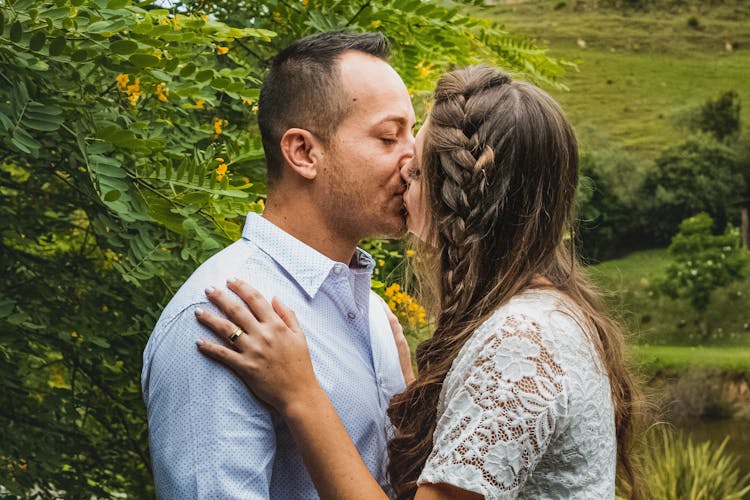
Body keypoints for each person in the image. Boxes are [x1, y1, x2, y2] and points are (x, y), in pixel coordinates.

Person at [194, 65, 645, 499]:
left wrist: (301, 395)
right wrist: (424, 395)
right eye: (390, 138)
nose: (402, 170)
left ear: (464, 195)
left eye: (417, 168)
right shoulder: (545, 316)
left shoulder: (520, 340)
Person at [141, 30, 417, 498]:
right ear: (304, 153)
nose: (413, 161)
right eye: (389, 137)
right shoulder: (221, 316)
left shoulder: (374, 317)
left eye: (412, 133)